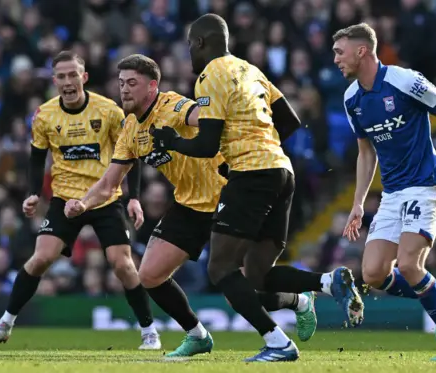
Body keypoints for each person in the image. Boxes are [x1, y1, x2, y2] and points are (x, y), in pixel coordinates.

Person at [65, 54, 353, 357]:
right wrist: (83, 204)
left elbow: (208, 118)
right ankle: (198, 335)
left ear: (152, 86)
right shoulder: (129, 132)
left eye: (132, 83)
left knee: (240, 288)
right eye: (121, 83)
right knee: (148, 274)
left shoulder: (174, 106)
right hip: (189, 204)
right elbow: (109, 183)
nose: (124, 89)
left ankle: (296, 306)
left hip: (227, 195)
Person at [149, 14, 364, 362]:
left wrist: (172, 141)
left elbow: (205, 144)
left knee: (220, 269)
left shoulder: (209, 77)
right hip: (282, 172)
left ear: (201, 42)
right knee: (258, 277)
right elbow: (290, 121)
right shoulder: (251, 70)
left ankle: (278, 343)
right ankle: (326, 283)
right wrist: (253, 144)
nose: (189, 51)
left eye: (190, 43)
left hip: (251, 175)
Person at [0, 51, 161, 350]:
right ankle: (4, 325)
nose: (67, 81)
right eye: (61, 76)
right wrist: (33, 193)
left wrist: (135, 198)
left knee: (123, 265)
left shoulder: (109, 111)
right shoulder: (45, 115)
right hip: (65, 200)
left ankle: (149, 332)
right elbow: (37, 160)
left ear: (83, 77)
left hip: (104, 198)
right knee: (40, 260)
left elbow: (130, 154)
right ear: (54, 81)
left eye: (72, 75)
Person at [334, 23, 436, 361]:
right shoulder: (351, 98)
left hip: (426, 183)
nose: (336, 59)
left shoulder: (404, 81)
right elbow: (366, 152)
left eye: (340, 52)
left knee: (411, 263)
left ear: (361, 51)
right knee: (373, 274)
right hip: (394, 192)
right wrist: (357, 204)